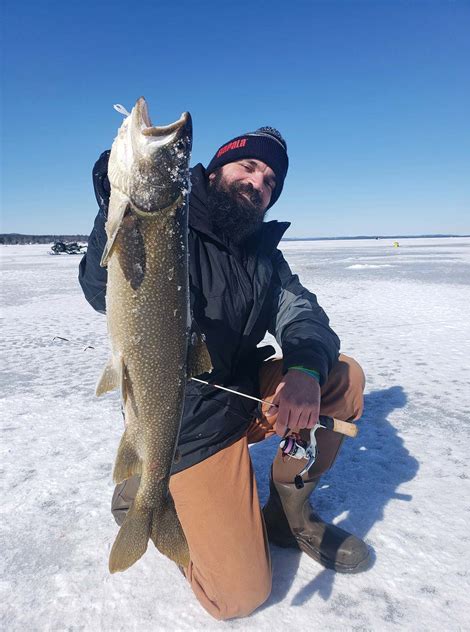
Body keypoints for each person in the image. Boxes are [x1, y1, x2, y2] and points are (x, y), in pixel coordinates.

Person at [79, 126, 369, 620]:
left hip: (244, 397)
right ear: (214, 172)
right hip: (187, 422)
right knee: (239, 596)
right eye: (249, 167)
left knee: (341, 377)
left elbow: (304, 317)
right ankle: (152, 488)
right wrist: (115, 211)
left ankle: (286, 518)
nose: (258, 183)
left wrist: (301, 369)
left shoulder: (263, 256)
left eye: (270, 181)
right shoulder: (172, 225)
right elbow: (100, 284)